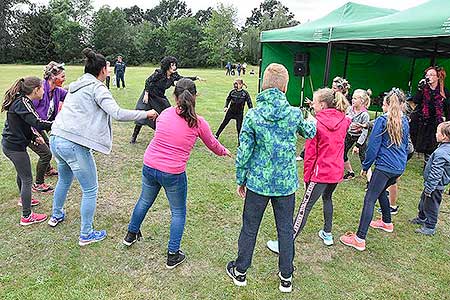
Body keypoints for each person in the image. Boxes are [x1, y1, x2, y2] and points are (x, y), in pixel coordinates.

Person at [48, 48, 158, 246]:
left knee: (64, 179)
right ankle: (86, 234)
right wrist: (145, 114)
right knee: (90, 189)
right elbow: (116, 113)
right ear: (102, 70)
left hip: (56, 139)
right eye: (107, 67)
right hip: (72, 143)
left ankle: (55, 216)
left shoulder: (77, 86)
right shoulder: (97, 88)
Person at [226, 63, 316, 293]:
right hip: (284, 184)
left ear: (264, 86)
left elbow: (244, 152)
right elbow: (310, 131)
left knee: (250, 227)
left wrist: (241, 179)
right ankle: (286, 276)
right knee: (285, 229)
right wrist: (313, 117)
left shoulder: (255, 115)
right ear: (285, 87)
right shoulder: (293, 114)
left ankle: (241, 271)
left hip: (259, 182)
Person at [124, 78, 230, 269]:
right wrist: (224, 151)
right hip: (172, 173)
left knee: (144, 201)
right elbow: (213, 144)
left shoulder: (165, 113)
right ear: (195, 96)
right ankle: (172, 255)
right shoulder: (198, 122)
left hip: (150, 165)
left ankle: (130, 235)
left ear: (174, 95)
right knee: (178, 212)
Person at [266, 87, 350, 253]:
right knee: (327, 198)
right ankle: (327, 233)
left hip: (321, 173)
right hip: (336, 171)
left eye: (315, 102)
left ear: (323, 105)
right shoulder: (344, 120)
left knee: (305, 206)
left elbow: (310, 155)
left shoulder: (315, 124)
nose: (312, 104)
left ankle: (285, 244)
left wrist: (307, 178)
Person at [340, 88, 409, 251]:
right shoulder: (404, 120)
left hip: (385, 167)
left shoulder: (382, 121)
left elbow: (372, 146)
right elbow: (405, 146)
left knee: (369, 198)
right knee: (379, 191)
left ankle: (359, 238)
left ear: (386, 105)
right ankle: (386, 222)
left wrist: (366, 165)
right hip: (398, 167)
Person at [1, 76, 53, 225]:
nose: (44, 90)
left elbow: (21, 124)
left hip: (12, 144)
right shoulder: (23, 102)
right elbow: (37, 122)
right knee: (27, 179)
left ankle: (24, 200)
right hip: (14, 147)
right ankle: (26, 216)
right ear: (36, 90)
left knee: (22, 173)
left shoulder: (22, 101)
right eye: (42, 88)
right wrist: (57, 124)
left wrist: (32, 137)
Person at [130, 56, 202, 144]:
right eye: (172, 65)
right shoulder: (159, 73)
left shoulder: (173, 76)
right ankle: (134, 136)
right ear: (167, 65)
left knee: (169, 114)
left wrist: (195, 78)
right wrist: (146, 93)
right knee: (142, 115)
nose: (174, 67)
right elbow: (148, 81)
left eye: (175, 65)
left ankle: (169, 134)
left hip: (160, 98)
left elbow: (183, 79)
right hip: (149, 96)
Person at [29, 62, 67, 194]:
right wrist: (34, 133)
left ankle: (48, 169)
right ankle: (38, 184)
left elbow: (69, 95)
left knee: (49, 146)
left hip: (40, 125)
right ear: (52, 77)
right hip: (29, 127)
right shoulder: (39, 90)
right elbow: (28, 114)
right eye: (62, 76)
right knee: (45, 153)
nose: (64, 79)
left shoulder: (56, 91)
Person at [410, 121, 450, 235]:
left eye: (437, 132)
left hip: (435, 186)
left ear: (444, 137)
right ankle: (421, 217)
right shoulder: (444, 148)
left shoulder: (441, 153)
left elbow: (436, 172)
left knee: (431, 205)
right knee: (424, 201)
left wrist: (430, 187)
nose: (435, 134)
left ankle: (430, 226)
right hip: (432, 184)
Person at [411, 66, 449, 165]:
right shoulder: (424, 89)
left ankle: (429, 164)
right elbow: (415, 101)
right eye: (427, 75)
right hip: (422, 120)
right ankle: (426, 161)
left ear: (438, 77)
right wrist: (420, 89)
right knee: (421, 143)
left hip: (435, 122)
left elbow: (447, 107)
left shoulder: (443, 91)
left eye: (431, 75)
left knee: (432, 144)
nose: (428, 77)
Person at [343, 89, 372, 186]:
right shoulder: (349, 109)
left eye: (355, 98)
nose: (353, 100)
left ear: (362, 101)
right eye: (352, 98)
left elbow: (365, 132)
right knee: (342, 153)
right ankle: (350, 172)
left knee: (364, 159)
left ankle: (369, 181)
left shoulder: (365, 115)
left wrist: (358, 145)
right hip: (349, 135)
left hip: (359, 137)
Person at [215, 78, 253, 145]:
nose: (235, 85)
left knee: (239, 128)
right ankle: (216, 135)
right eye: (234, 84)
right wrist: (226, 106)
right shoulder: (232, 92)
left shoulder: (245, 93)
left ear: (241, 85)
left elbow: (249, 103)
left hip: (239, 113)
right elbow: (228, 99)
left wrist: (251, 111)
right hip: (231, 111)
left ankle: (240, 142)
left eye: (237, 84)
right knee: (224, 123)